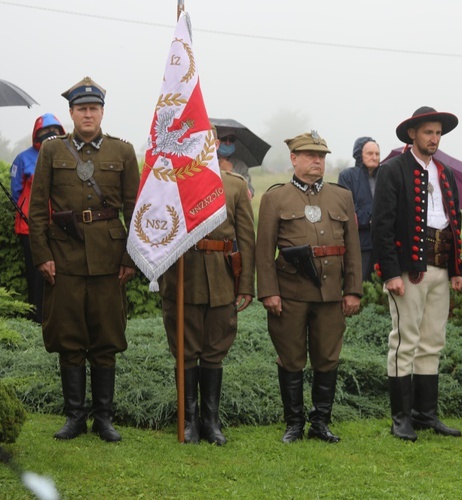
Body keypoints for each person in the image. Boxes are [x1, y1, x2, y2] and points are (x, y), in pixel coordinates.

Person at [28, 77, 140, 442]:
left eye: (93, 108)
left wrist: (130, 258)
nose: (87, 114)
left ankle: (103, 418)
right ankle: (75, 417)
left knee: (106, 337)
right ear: (72, 113)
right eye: (81, 109)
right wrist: (43, 255)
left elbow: (134, 210)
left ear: (102, 112)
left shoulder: (122, 153)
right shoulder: (51, 151)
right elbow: (38, 209)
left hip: (110, 258)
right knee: (69, 337)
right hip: (64, 257)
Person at [256, 130, 362, 443]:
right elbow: (264, 252)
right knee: (291, 358)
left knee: (327, 357)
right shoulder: (276, 198)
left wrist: (353, 289)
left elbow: (353, 248)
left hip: (330, 294)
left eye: (322, 157)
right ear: (294, 159)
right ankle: (293, 424)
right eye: (310, 156)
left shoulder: (341, 196)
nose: (318, 161)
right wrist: (269, 292)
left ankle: (320, 423)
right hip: (290, 294)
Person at [372, 106, 462, 442]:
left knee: (432, 343)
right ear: (412, 134)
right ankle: (401, 419)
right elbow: (381, 225)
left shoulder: (445, 173)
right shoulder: (393, 170)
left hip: (441, 270)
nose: (434, 138)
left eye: (438, 133)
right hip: (408, 272)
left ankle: (426, 415)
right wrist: (390, 273)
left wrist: (457, 269)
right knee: (404, 342)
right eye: (428, 132)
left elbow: (453, 224)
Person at [158, 170, 255, 445]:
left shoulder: (234, 185)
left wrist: (246, 283)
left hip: (221, 277)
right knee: (185, 351)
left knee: (215, 349)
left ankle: (211, 421)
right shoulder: (168, 179)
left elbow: (246, 237)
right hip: (182, 275)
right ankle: (189, 421)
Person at [10, 114, 65, 323]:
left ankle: (56, 315)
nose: (50, 135)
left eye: (54, 131)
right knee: (35, 274)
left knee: (59, 273)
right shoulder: (23, 158)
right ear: (36, 134)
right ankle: (36, 317)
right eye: (45, 132)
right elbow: (15, 192)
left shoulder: (65, 155)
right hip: (29, 226)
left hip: (58, 226)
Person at [337, 136, 380, 281]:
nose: (374, 157)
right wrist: (373, 218)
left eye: (377, 154)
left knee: (381, 289)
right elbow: (347, 211)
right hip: (360, 245)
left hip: (383, 244)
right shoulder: (347, 176)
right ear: (359, 155)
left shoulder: (385, 175)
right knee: (358, 285)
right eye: (370, 153)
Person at [216, 132, 255, 198]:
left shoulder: (241, 165)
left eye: (232, 139)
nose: (228, 143)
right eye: (224, 138)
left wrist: (231, 172)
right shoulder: (206, 162)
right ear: (216, 141)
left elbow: (249, 192)